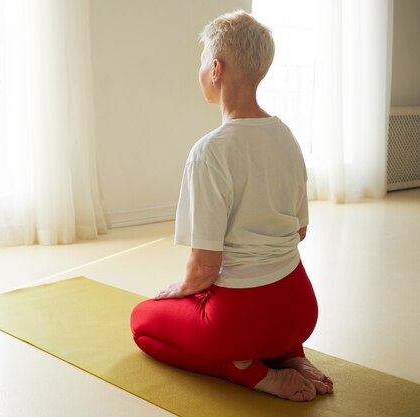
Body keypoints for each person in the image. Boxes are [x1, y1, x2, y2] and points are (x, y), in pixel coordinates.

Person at [130, 10, 333, 402]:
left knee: (142, 323)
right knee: (244, 307)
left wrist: (179, 291)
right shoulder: (286, 136)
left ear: (217, 69)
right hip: (301, 309)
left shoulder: (210, 152)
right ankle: (290, 356)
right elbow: (299, 230)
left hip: (243, 323)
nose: (201, 70)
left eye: (203, 61)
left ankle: (245, 370)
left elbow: (205, 266)